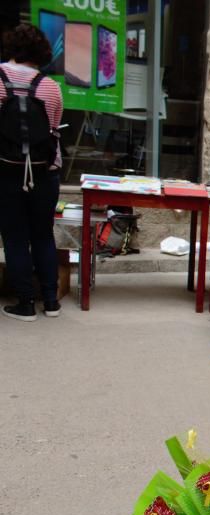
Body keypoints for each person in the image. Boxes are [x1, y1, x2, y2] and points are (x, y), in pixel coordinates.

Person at [0, 24, 63, 322]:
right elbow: (54, 127)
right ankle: (51, 301)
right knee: (43, 234)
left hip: (6, 171)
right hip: (45, 171)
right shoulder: (50, 86)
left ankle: (25, 304)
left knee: (14, 237)